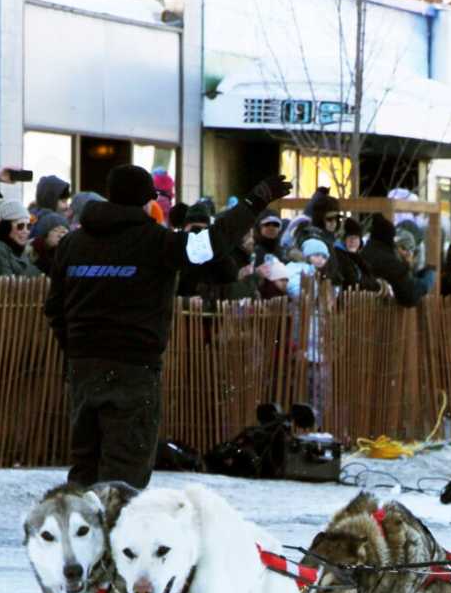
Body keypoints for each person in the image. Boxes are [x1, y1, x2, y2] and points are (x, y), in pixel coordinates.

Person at [45, 163, 291, 489]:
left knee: (85, 464)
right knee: (124, 471)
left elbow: (54, 308)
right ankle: (115, 536)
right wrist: (253, 204)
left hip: (83, 367)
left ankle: (76, 533)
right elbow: (212, 244)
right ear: (148, 202)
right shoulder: (156, 242)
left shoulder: (71, 245)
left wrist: (77, 346)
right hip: (134, 368)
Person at [358, 214, 423, 307]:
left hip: (363, 307)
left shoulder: (364, 252)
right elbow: (409, 296)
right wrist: (407, 266)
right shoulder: (391, 261)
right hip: (383, 311)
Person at [0, 198, 42, 277]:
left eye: (28, 226)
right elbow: (7, 285)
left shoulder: (19, 251)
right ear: (6, 228)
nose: (26, 231)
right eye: (20, 226)